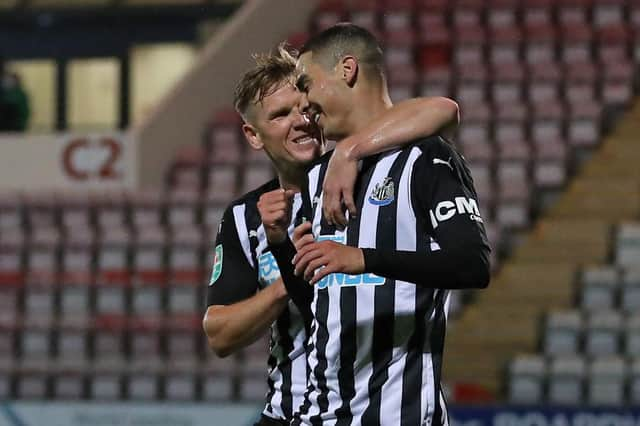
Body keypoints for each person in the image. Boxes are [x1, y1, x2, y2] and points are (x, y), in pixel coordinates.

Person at [202, 46, 460, 426]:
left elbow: (442, 109)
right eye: (280, 115)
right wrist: (288, 278)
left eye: (304, 107)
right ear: (253, 136)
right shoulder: (246, 217)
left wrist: (349, 151)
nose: (301, 121)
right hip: (287, 413)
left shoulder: (372, 182)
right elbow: (220, 335)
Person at [260, 24, 491, 425]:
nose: (304, 104)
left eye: (307, 84)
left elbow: (472, 264)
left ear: (347, 70)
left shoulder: (425, 158)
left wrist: (363, 258)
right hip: (319, 414)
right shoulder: (318, 178)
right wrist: (284, 247)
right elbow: (317, 307)